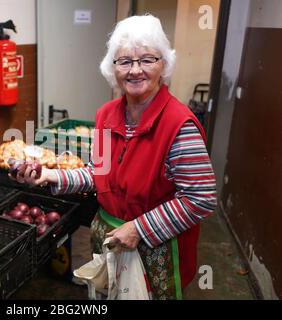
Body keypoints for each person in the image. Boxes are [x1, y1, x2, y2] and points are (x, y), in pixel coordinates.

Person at [12, 15, 217, 300]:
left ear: (164, 64)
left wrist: (139, 228)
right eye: (125, 61)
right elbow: (100, 173)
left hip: (155, 251)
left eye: (147, 60)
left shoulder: (179, 125)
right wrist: (50, 175)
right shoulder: (106, 115)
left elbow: (201, 198)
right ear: (113, 68)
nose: (135, 70)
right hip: (110, 239)